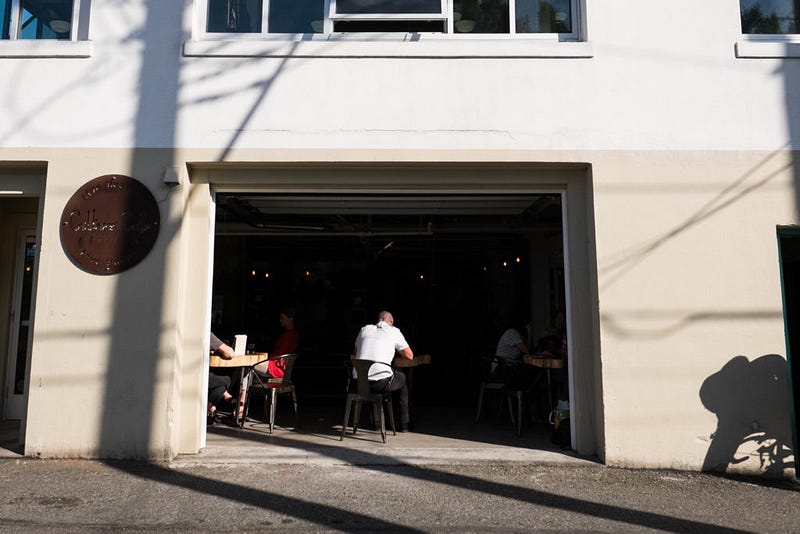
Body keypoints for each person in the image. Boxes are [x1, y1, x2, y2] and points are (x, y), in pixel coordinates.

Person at [353, 310, 414, 432]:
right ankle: (404, 424)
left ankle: (376, 423)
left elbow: (356, 352)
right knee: (401, 379)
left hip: (359, 382)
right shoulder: (394, 331)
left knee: (376, 377)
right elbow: (409, 355)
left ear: (379, 319)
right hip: (381, 383)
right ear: (390, 322)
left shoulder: (364, 329)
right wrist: (397, 350)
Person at [254, 308, 299, 380]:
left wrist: (264, 357)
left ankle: (236, 388)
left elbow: (280, 352)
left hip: (276, 367)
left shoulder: (290, 335)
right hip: (277, 365)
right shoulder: (291, 334)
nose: (280, 320)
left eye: (283, 318)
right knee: (245, 364)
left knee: (246, 364)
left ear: (290, 319)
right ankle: (232, 386)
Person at [208, 332, 237, 423]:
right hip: (199, 376)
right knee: (226, 380)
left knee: (220, 385)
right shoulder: (206, 333)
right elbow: (230, 353)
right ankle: (209, 407)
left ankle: (210, 408)